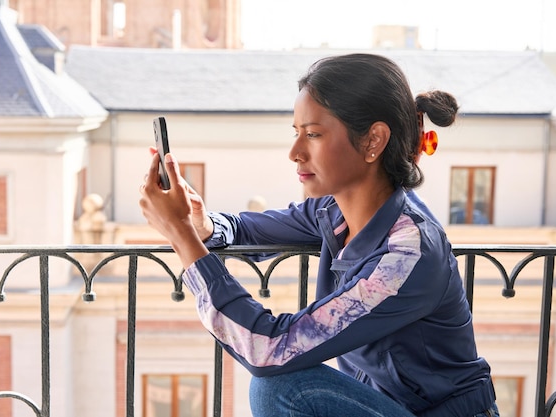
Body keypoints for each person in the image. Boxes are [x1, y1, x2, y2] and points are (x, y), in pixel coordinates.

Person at [139, 53, 499, 417]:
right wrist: (201, 225)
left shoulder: (407, 253)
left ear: (373, 140)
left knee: (280, 387)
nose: (295, 153)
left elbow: (266, 349)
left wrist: (182, 236)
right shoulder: (332, 211)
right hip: (384, 407)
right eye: (296, 133)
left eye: (312, 134)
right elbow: (248, 228)